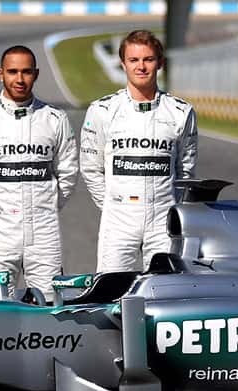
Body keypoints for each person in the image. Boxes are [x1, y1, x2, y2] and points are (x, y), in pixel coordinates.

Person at [0, 45, 79, 298]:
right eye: (12, 72)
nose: (19, 79)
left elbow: (68, 174)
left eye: (26, 72)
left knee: (50, 305)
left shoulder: (55, 119)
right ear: (0, 73)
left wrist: (45, 208)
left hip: (44, 233)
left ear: (36, 74)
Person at [80, 30, 197, 273]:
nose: (141, 67)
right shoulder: (102, 111)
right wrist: (113, 204)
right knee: (111, 288)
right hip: (118, 218)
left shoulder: (181, 112)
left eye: (148, 59)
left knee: (165, 289)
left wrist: (168, 204)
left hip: (163, 219)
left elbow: (185, 171)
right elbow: (91, 168)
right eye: (133, 60)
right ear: (123, 64)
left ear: (160, 63)